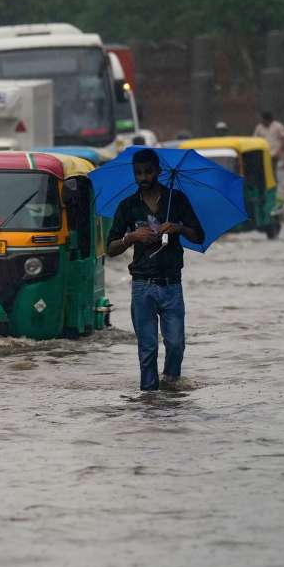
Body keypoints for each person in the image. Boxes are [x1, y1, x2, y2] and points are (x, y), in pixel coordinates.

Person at [106, 148, 205, 391]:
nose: (142, 177)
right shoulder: (127, 206)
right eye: (138, 173)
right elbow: (110, 248)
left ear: (158, 172)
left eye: (148, 172)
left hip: (172, 284)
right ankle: (149, 399)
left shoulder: (177, 200)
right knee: (147, 349)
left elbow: (198, 235)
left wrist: (178, 228)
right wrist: (132, 237)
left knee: (175, 344)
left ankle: (171, 387)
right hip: (142, 285)